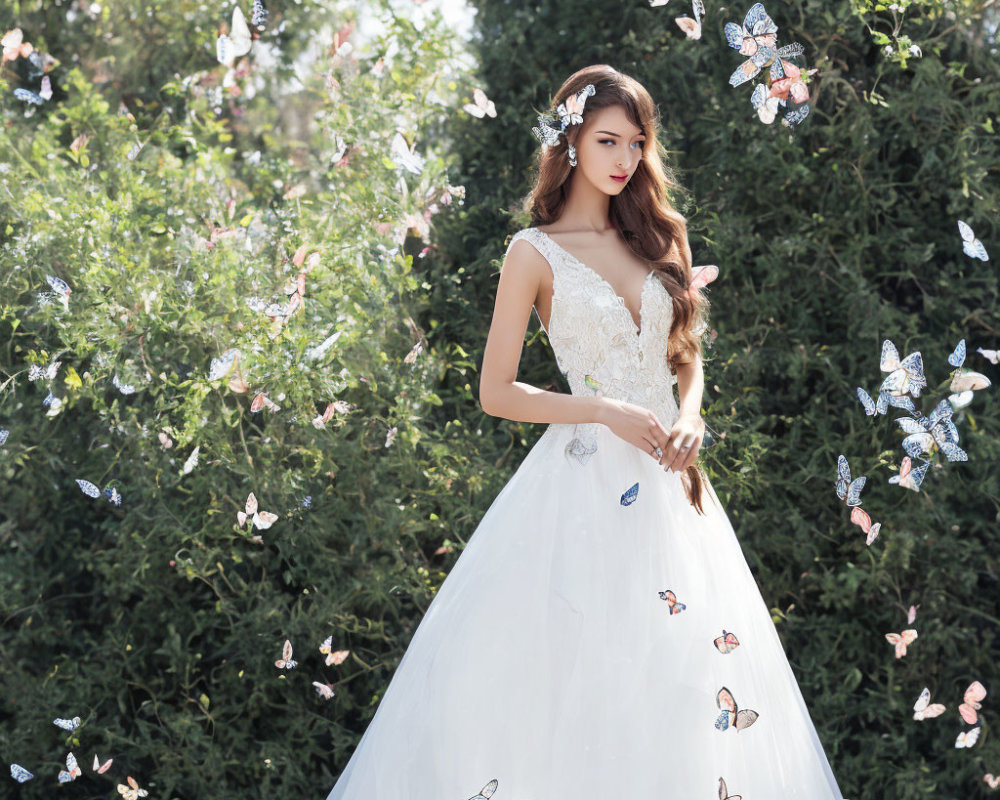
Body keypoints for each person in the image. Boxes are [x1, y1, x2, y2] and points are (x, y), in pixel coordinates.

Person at [325, 64, 845, 800]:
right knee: (577, 685)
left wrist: (690, 415)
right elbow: (495, 392)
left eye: (637, 142)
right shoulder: (532, 253)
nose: (625, 158)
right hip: (580, 492)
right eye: (608, 139)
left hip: (673, 488)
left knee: (687, 683)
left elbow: (686, 356)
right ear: (570, 140)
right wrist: (603, 410)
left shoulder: (663, 237)